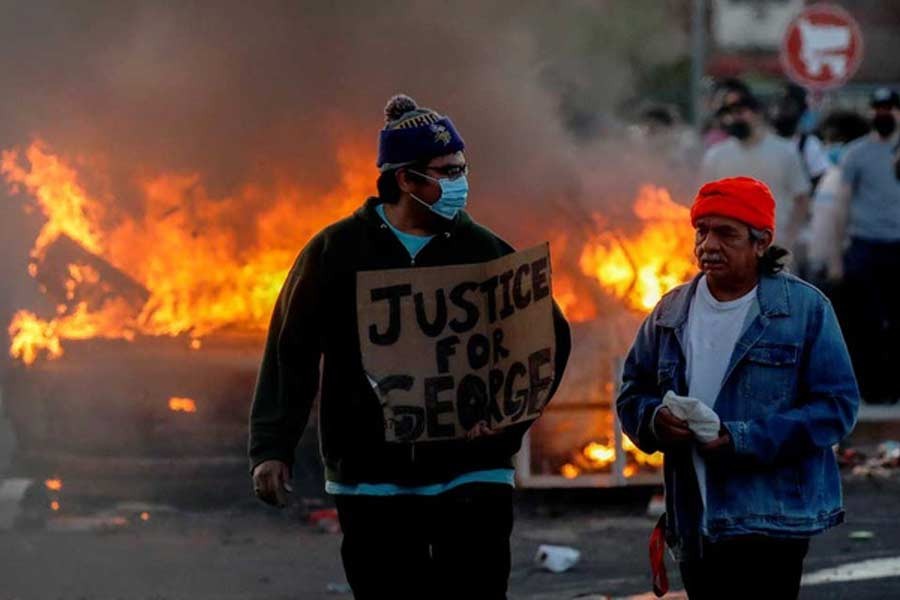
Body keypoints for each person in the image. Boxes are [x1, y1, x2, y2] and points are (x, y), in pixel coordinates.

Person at [248, 94, 572, 600]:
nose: (459, 182)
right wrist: (271, 447)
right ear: (405, 178)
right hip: (371, 477)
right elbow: (291, 351)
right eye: (445, 171)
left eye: (462, 168)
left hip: (472, 471)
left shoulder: (484, 250)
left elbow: (548, 336)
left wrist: (511, 419)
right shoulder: (335, 252)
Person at [617, 176, 859, 599]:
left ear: (761, 242)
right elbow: (633, 390)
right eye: (702, 231)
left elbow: (836, 408)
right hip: (694, 523)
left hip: (771, 522)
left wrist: (742, 438)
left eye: (726, 233)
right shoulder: (670, 311)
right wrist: (655, 421)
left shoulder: (804, 310)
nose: (708, 245)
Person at [829, 88, 900, 404]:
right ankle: (870, 390)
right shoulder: (856, 154)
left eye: (890, 108)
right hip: (865, 246)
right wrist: (835, 255)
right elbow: (842, 204)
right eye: (879, 107)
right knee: (866, 324)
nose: (884, 113)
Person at [699, 88, 811, 255]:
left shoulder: (785, 152)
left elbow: (801, 199)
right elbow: (704, 202)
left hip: (775, 247)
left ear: (757, 114)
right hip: (728, 251)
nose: (734, 118)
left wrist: (789, 239)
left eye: (740, 112)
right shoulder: (716, 156)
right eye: (730, 114)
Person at [805, 111, 870, 289]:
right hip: (819, 263)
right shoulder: (829, 175)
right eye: (825, 141)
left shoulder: (861, 178)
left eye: (834, 140)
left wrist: (836, 261)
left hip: (846, 265)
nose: (827, 146)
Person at [769, 83, 830, 193]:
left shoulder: (809, 145)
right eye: (778, 105)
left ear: (801, 110)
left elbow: (819, 180)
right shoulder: (761, 142)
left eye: (787, 106)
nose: (780, 111)